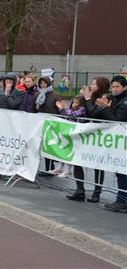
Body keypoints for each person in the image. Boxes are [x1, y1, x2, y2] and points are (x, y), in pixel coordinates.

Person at [67, 76, 110, 202]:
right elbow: (75, 109)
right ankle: (80, 190)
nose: (91, 86)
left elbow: (93, 113)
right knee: (77, 160)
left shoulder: (104, 98)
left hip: (99, 135)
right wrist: (80, 98)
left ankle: (97, 193)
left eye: (94, 84)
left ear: (100, 86)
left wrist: (87, 99)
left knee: (98, 164)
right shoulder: (88, 97)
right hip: (85, 133)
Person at [92, 76, 127, 212]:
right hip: (117, 143)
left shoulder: (124, 103)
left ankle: (122, 201)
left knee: (123, 172)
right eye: (113, 86)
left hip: (122, 142)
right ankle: (121, 200)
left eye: (117, 87)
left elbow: (117, 121)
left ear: (124, 87)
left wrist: (106, 108)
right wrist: (102, 107)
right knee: (120, 172)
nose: (114, 89)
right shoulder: (114, 99)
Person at [51, 96, 86, 177]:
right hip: (69, 131)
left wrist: (63, 109)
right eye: (73, 102)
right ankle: (59, 168)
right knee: (63, 148)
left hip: (76, 132)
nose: (74, 104)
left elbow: (73, 115)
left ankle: (67, 170)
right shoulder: (71, 109)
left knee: (70, 150)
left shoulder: (82, 109)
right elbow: (65, 113)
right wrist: (62, 109)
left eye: (76, 103)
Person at [33, 76, 62, 174]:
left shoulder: (55, 96)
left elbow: (59, 110)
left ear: (48, 84)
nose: (42, 85)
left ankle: (49, 168)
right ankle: (37, 167)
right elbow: (33, 109)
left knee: (49, 146)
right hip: (39, 123)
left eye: (44, 83)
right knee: (38, 146)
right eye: (41, 83)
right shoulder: (37, 95)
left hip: (52, 124)